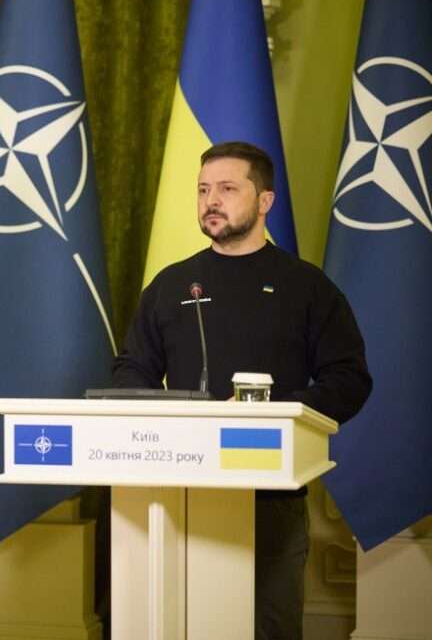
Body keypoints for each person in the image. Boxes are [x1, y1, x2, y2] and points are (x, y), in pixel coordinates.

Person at [112, 141, 372, 640]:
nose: (212, 200)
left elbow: (349, 378)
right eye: (204, 190)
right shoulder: (171, 286)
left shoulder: (306, 287)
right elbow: (132, 373)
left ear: (265, 201)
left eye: (228, 189)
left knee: (268, 625)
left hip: (270, 494)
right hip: (179, 491)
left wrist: (283, 416)